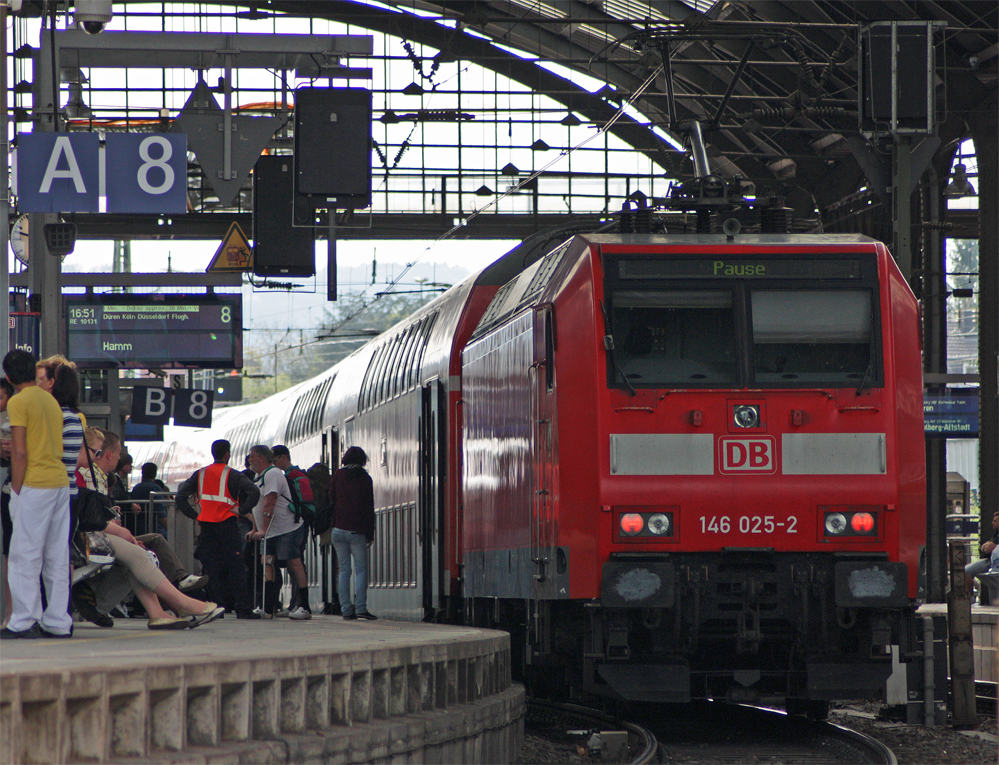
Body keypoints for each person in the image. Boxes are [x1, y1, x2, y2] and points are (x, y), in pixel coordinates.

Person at [75, 427, 223, 630]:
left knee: (140, 553)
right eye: (95, 452)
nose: (99, 457)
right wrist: (120, 530)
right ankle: (180, 601)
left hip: (88, 533)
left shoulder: (85, 474)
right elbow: (86, 517)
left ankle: (161, 610)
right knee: (139, 553)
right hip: (84, 536)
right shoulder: (83, 474)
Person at [0, 350, 72, 639]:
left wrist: (16, 491)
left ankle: (23, 620)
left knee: (23, 555)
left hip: (35, 485)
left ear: (8, 376)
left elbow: (19, 451)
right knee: (56, 555)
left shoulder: (19, 401)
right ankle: (57, 621)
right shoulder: (50, 401)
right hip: (60, 484)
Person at [175, 440, 261, 620]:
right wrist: (243, 510)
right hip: (228, 525)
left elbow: (181, 496)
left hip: (207, 527)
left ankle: (216, 608)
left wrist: (195, 515)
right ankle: (242, 608)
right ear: (227, 454)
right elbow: (254, 492)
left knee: (210, 568)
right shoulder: (234, 475)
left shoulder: (200, 474)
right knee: (236, 566)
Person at [247, 445, 311, 620]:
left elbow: (270, 502)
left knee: (294, 563)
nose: (249, 459)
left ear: (261, 458)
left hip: (287, 529)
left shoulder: (273, 474)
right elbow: (257, 504)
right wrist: (255, 529)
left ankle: (305, 607)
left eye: (252, 456)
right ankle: (267, 608)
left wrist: (263, 530)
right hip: (269, 531)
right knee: (267, 563)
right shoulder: (258, 477)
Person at [329, 446, 377, 621]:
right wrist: (370, 533)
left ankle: (346, 609)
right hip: (357, 531)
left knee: (344, 571)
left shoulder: (338, 476)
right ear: (363, 460)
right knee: (361, 570)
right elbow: (368, 507)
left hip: (337, 530)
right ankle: (361, 608)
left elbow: (332, 498)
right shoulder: (365, 478)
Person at [1, 378, 15, 628]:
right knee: (9, 553)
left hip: (22, 489)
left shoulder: (19, 415)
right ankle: (11, 612)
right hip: (10, 489)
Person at [966, 513, 999, 603]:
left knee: (966, 571)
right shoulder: (996, 533)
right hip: (991, 561)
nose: (992, 523)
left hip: (991, 562)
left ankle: (969, 597)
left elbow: (987, 549)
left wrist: (987, 547)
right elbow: (985, 546)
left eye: (995, 521)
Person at [131, 462, 170, 538]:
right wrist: (170, 529)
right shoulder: (156, 489)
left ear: (142, 473)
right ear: (155, 473)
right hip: (156, 529)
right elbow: (161, 513)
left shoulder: (136, 488)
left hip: (139, 529)